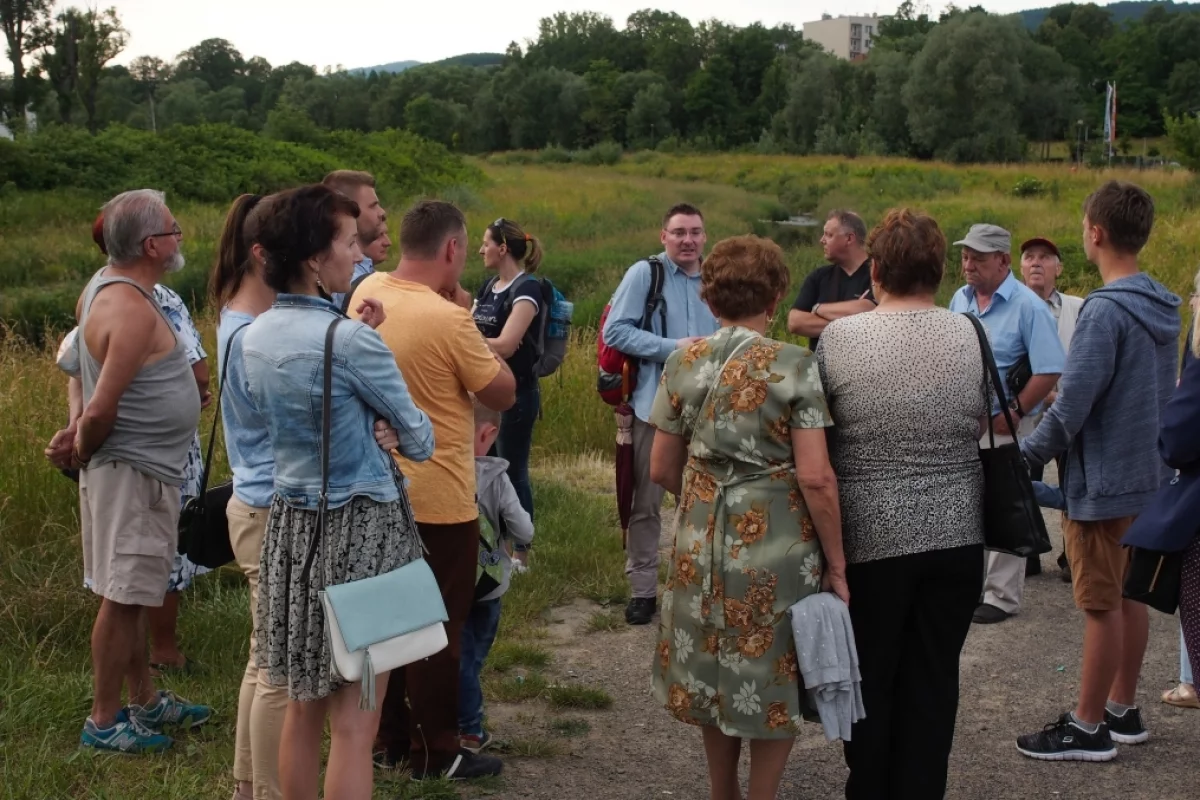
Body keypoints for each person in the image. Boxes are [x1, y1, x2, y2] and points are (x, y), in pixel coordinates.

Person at [241, 184, 436, 800]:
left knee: (303, 706)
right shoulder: (351, 342)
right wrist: (382, 421)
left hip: (291, 531)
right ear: (313, 257)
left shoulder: (251, 337)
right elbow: (420, 439)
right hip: (362, 532)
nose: (359, 255)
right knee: (355, 725)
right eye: (349, 243)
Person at [647, 234, 847, 800]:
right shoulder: (795, 364)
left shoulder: (683, 360)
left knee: (712, 663)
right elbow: (816, 477)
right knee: (770, 672)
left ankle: (722, 792)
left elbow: (662, 467)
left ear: (710, 301)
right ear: (778, 294)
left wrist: (710, 495)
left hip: (699, 537)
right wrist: (838, 564)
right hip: (775, 545)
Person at [818, 208, 986, 799]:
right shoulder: (970, 332)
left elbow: (821, 440)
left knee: (873, 677)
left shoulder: (840, 338)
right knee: (935, 678)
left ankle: (869, 788)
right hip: (958, 532)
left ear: (878, 270)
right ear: (939, 270)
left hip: (871, 540)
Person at [1016, 180, 1180, 762]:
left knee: (1099, 603)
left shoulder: (1103, 311)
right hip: (1149, 476)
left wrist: (1023, 460)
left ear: (1095, 233)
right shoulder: (1164, 303)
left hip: (1104, 482)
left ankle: (1087, 727)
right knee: (1128, 595)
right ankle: (1122, 709)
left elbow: (1072, 405)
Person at [44, 189, 212, 753]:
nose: (180, 234)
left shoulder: (103, 288)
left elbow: (76, 368)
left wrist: (76, 430)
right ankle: (104, 720)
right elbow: (102, 407)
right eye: (174, 226)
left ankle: (143, 698)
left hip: (141, 470)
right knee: (121, 596)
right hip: (132, 472)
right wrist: (83, 444)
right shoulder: (133, 310)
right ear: (151, 244)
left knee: (138, 589)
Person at [359, 199, 515, 781]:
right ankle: (437, 752)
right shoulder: (449, 320)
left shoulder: (367, 291)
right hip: (441, 493)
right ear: (451, 249)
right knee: (438, 629)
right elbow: (501, 392)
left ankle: (385, 738)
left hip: (378, 488)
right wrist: (470, 320)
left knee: (384, 624)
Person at [602, 203, 719, 626]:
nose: (687, 240)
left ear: (705, 237)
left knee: (706, 501)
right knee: (645, 502)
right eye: (679, 232)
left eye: (695, 232)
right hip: (655, 406)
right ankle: (643, 591)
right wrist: (674, 347)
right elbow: (615, 331)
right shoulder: (644, 274)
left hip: (708, 408)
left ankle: (700, 587)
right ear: (663, 236)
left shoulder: (717, 274)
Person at [208, 193, 290, 800]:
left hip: (253, 501)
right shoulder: (254, 333)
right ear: (266, 253)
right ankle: (264, 791)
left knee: (263, 659)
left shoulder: (240, 319)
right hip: (268, 507)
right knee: (280, 673)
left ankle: (244, 786)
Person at [948, 223, 1065, 625]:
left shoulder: (1028, 306)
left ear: (1002, 260)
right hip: (964, 418)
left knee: (1005, 499)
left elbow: (1049, 370)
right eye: (965, 257)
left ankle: (1001, 596)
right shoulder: (959, 298)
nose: (968, 265)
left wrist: (1014, 412)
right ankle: (970, 585)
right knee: (967, 500)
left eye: (977, 258)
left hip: (1003, 421)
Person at [459, 400, 535, 754]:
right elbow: (523, 528)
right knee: (471, 658)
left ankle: (447, 715)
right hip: (488, 585)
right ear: (488, 434)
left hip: (446, 583)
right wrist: (517, 540)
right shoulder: (496, 477)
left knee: (455, 651)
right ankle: (470, 730)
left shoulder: (436, 467)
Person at [1018, 236, 1085, 580]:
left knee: (1076, 478)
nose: (1036, 263)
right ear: (1020, 267)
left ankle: (1076, 556)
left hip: (1071, 412)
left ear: (1058, 268)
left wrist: (1068, 398)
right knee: (1019, 480)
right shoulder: (1012, 308)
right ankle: (1024, 554)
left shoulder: (1079, 306)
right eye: (1029, 256)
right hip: (1026, 411)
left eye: (1045, 257)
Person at [472, 217, 545, 528]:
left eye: (486, 243)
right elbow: (468, 328)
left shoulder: (528, 288)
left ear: (502, 249)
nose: (480, 250)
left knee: (513, 470)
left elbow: (506, 344)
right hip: (483, 392)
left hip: (517, 395)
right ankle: (491, 538)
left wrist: (467, 341)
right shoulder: (488, 286)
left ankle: (522, 550)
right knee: (480, 467)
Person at [785, 210, 877, 351]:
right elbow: (795, 322)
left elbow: (870, 310)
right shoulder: (819, 277)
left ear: (849, 239)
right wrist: (854, 321)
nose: (822, 240)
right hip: (820, 370)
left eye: (829, 235)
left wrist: (817, 309)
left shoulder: (878, 273)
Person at [324, 170, 387, 308]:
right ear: (349, 210)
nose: (382, 212)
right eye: (373, 205)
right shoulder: (351, 279)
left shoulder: (356, 271)